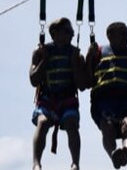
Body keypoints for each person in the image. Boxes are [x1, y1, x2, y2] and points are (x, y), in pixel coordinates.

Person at [30, 17, 90, 170]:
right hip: (47, 98)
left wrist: (75, 64)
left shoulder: (76, 55)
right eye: (67, 31)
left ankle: (75, 162)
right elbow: (33, 80)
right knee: (42, 123)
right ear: (54, 33)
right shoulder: (41, 52)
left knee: (71, 123)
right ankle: (36, 163)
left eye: (71, 32)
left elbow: (82, 85)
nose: (70, 35)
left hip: (67, 99)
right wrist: (44, 60)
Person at [86, 21, 127, 168]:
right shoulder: (98, 52)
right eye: (123, 34)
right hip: (103, 100)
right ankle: (113, 152)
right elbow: (86, 82)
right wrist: (88, 58)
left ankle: (126, 149)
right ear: (110, 36)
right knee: (108, 127)